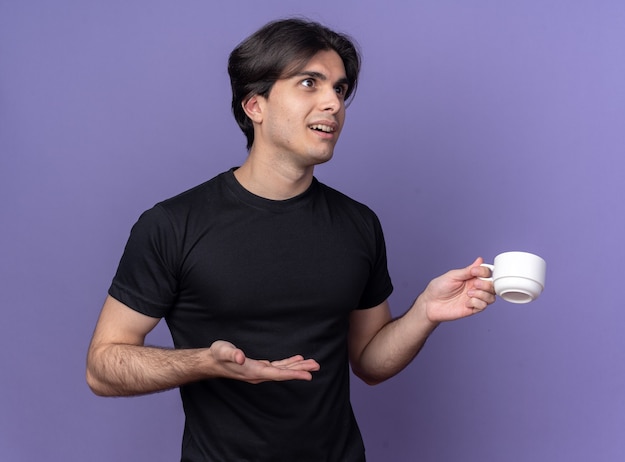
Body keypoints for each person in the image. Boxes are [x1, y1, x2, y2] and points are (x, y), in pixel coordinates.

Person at [86, 18, 496, 462]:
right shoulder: (172, 224)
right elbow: (103, 367)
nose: (333, 104)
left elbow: (370, 362)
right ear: (255, 105)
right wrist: (202, 362)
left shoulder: (358, 224)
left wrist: (424, 313)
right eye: (309, 83)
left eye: (339, 90)